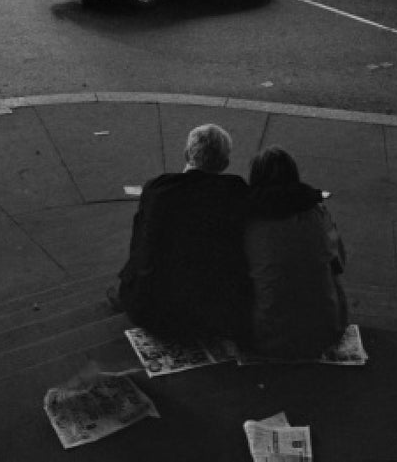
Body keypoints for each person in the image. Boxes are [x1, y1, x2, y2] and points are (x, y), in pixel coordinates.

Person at [117, 124, 251, 341]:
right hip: (213, 313)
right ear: (225, 163)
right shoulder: (235, 191)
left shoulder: (158, 189)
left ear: (187, 154)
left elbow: (140, 245)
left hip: (150, 308)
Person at [244, 146, 348, 360]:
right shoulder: (318, 213)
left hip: (267, 337)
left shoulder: (248, 219)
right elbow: (339, 262)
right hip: (326, 330)